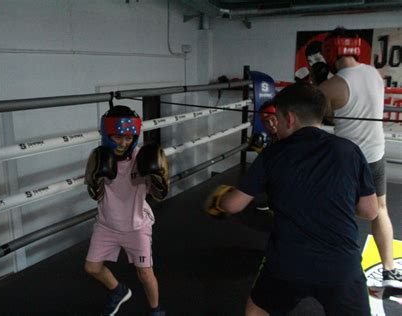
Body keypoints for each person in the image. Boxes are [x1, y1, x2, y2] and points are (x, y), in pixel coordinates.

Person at [205, 83, 378, 315]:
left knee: (255, 312)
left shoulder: (273, 154)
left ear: (289, 118)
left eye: (276, 117)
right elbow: (370, 211)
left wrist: (219, 197)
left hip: (288, 264)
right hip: (340, 266)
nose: (274, 125)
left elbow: (234, 205)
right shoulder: (349, 151)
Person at [318, 27, 402, 288]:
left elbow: (326, 117)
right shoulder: (375, 74)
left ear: (331, 52)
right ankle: (389, 272)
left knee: (337, 213)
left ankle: (337, 269)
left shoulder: (330, 86)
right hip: (376, 154)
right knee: (381, 211)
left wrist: (318, 85)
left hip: (347, 160)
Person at [84, 105, 169, 316]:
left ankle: (156, 310)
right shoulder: (98, 157)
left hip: (137, 225)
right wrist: (96, 179)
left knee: (145, 273)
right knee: (92, 268)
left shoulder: (143, 158)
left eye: (129, 138)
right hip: (107, 224)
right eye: (117, 137)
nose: (123, 143)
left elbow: (160, 196)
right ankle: (118, 291)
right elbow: (95, 196)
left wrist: (158, 177)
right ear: (106, 134)